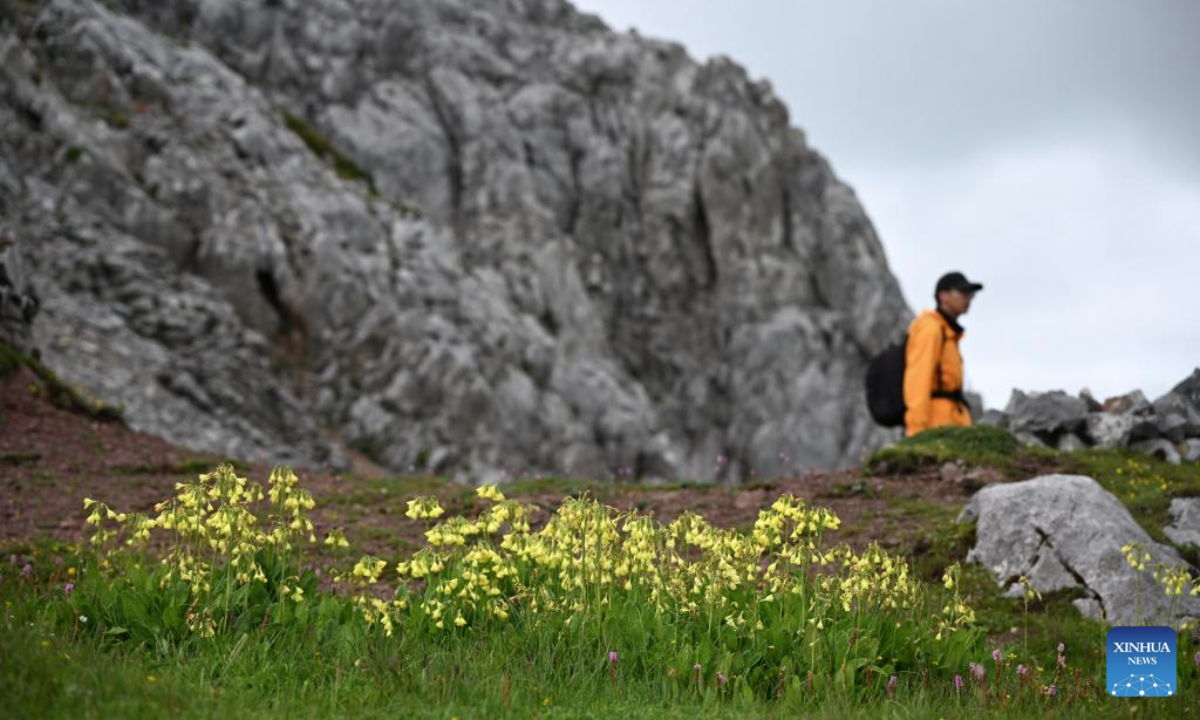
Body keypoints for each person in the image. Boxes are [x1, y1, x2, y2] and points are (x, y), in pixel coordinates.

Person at [903, 271, 982, 437]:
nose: (967, 299)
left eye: (970, 294)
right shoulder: (931, 329)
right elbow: (918, 380)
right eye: (962, 292)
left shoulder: (948, 333)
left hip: (951, 421)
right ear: (943, 296)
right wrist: (917, 432)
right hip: (936, 423)